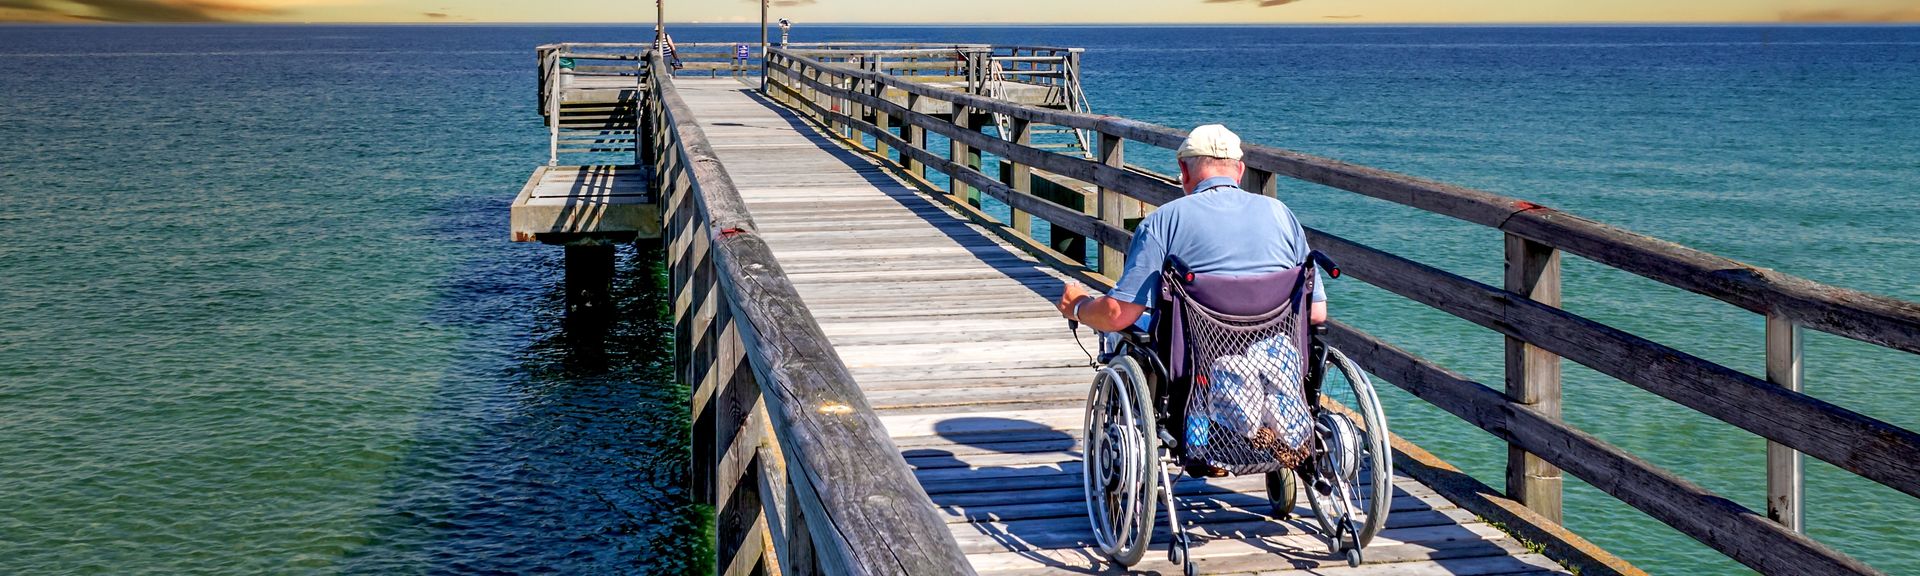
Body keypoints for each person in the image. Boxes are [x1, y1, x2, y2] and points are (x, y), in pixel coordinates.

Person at [1056, 124, 1326, 333]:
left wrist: (1078, 306)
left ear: (1183, 170)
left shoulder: (1163, 221)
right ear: (1240, 171)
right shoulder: (1282, 215)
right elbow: (1315, 312)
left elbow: (1118, 315)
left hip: (1195, 366)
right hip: (1275, 362)